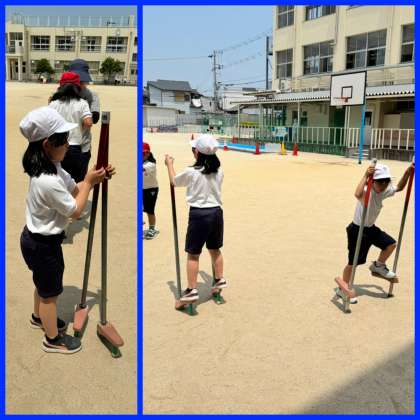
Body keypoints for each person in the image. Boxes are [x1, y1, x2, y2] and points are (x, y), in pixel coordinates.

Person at [19, 106, 115, 354]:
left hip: (38, 240)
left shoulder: (54, 168)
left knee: (43, 285)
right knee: (50, 294)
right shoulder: (47, 181)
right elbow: (75, 210)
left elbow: (76, 189)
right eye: (64, 141)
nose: (69, 145)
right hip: (41, 244)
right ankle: (52, 339)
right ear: (48, 145)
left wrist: (94, 177)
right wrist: (90, 183)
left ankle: (38, 317)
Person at [336, 162, 414, 304]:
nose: (383, 185)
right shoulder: (367, 190)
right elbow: (357, 194)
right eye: (380, 181)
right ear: (373, 181)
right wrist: (365, 175)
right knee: (354, 262)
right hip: (357, 230)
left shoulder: (383, 191)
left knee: (390, 244)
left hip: (370, 229)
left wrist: (408, 173)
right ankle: (343, 289)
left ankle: (378, 265)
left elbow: (400, 187)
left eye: (386, 181)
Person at [165, 134, 226, 302]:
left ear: (197, 153)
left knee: (193, 253)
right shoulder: (219, 171)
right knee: (215, 249)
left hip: (199, 214)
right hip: (216, 212)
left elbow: (174, 181)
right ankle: (219, 278)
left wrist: (169, 165)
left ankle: (192, 289)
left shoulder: (192, 172)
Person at [49, 71, 92, 183]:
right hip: (75, 148)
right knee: (76, 182)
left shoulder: (54, 103)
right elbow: (88, 122)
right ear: (77, 87)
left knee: (58, 181)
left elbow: (48, 122)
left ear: (61, 87)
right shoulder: (82, 103)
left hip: (57, 147)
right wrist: (80, 127)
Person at [68, 59, 101, 180]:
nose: (79, 83)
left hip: (83, 146)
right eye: (76, 80)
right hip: (62, 146)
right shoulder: (60, 95)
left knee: (80, 180)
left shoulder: (91, 96)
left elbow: (94, 119)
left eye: (82, 80)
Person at [143, 142, 159, 240]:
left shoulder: (151, 164)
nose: (141, 155)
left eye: (143, 153)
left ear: (148, 153)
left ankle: (152, 229)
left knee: (150, 210)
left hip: (151, 189)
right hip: (142, 188)